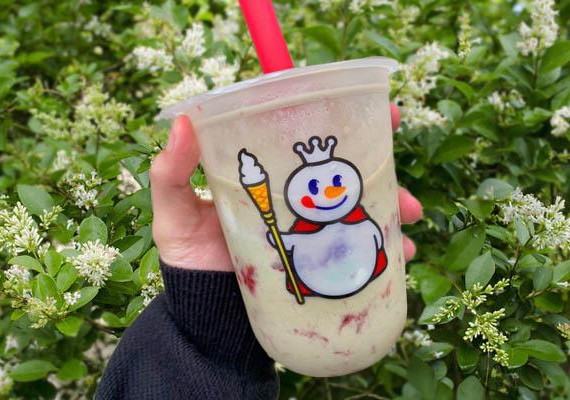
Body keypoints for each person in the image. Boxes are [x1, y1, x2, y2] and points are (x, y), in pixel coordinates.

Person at [96, 106, 423, 400]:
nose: (331, 192)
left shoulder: (357, 222)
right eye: (315, 188)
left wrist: (213, 338)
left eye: (337, 181)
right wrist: (215, 310)